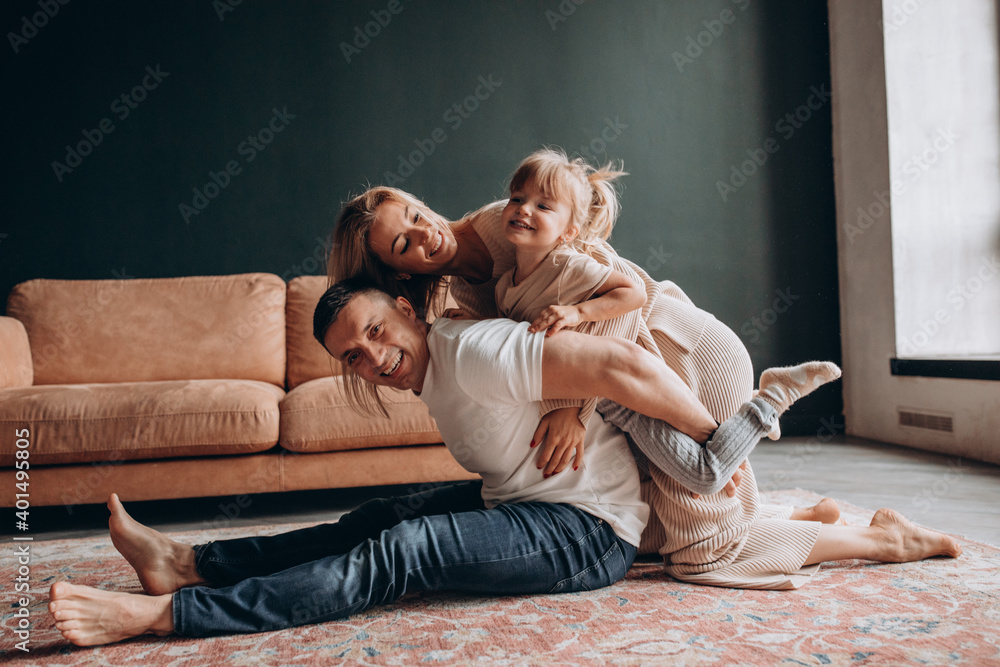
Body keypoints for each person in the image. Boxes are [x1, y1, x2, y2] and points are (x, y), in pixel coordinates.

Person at [48, 280, 961, 646]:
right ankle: (193, 558)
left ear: (407, 311)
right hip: (532, 501)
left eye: (376, 332)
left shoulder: (472, 351)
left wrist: (721, 453)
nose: (372, 358)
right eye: (353, 355)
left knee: (394, 559)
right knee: (376, 520)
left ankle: (170, 613)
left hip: (583, 535)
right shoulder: (437, 364)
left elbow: (620, 365)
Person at [328, 156, 823, 552]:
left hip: (673, 349)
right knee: (666, 520)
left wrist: (572, 409)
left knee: (699, 539)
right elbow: (530, 329)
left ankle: (865, 539)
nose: (425, 234)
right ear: (399, 275)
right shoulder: (464, 293)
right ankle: (793, 520)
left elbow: (617, 305)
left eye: (415, 215)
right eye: (402, 243)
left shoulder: (511, 221)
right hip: (627, 382)